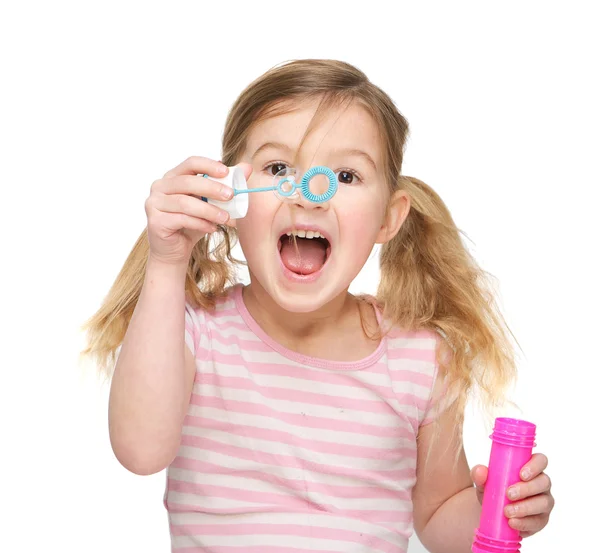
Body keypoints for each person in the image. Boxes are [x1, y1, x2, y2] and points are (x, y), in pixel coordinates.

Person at [82, 59, 554, 552]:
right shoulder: (196, 334)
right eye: (279, 168)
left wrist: (498, 510)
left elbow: (438, 515)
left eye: (346, 175)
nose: (310, 195)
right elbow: (139, 451)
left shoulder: (420, 357)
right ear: (230, 196)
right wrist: (166, 261)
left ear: (388, 220)